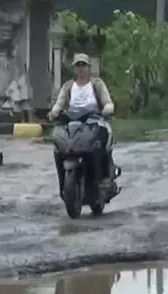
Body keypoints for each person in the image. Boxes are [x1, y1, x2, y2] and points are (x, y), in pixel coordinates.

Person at [47, 53, 116, 194]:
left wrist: (107, 109)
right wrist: (54, 112)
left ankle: (104, 177)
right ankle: (63, 183)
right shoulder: (68, 87)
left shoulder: (97, 84)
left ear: (89, 67)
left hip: (93, 122)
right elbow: (59, 103)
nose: (81, 68)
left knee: (100, 144)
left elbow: (107, 102)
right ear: (74, 68)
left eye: (84, 65)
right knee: (59, 149)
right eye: (78, 65)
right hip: (72, 123)